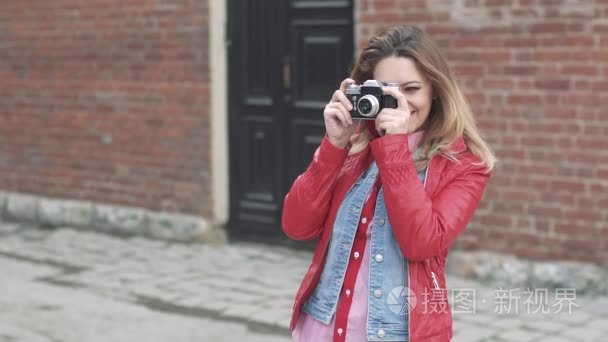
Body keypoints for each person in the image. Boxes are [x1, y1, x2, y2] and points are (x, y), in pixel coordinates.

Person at [281, 25, 496, 342]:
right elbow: (296, 226)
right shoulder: (354, 150)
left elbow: (421, 243)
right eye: (386, 90)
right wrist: (333, 145)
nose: (398, 102)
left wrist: (394, 147)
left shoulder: (465, 164)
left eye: (411, 89)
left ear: (435, 90)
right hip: (321, 329)